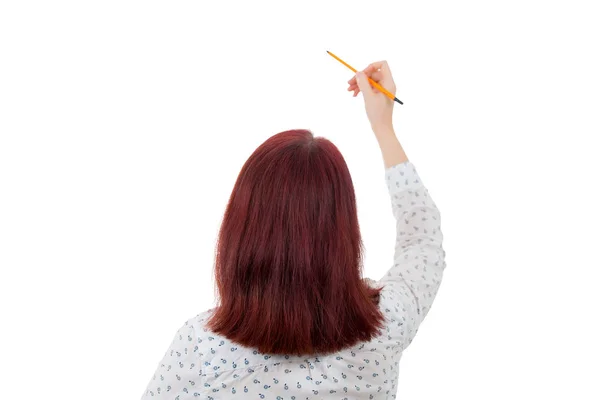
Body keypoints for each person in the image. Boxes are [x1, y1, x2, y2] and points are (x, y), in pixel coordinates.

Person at [140, 60, 446, 399]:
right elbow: (423, 241)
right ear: (343, 233)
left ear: (241, 230)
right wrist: (383, 127)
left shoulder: (201, 348)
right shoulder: (386, 325)